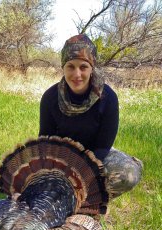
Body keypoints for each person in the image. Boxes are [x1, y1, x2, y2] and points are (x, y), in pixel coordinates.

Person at [39, 34, 142, 198]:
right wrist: (57, 171)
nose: (77, 74)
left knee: (127, 175)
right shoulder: (50, 97)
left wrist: (80, 174)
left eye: (83, 67)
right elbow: (46, 141)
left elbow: (103, 146)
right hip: (61, 158)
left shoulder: (108, 98)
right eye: (70, 66)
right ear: (63, 68)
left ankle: (91, 201)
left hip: (97, 154)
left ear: (92, 68)